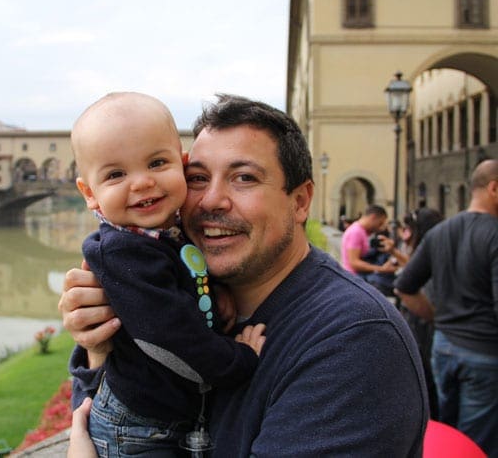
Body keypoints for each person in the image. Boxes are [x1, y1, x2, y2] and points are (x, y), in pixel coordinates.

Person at [61, 94, 429, 456]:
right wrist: (99, 346)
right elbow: (107, 415)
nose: (211, 200)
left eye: (244, 177)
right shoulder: (182, 288)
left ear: (299, 201)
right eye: (199, 178)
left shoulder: (354, 339)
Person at [70, 91, 265, 456]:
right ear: (89, 193)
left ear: (182, 162)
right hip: (138, 428)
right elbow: (170, 338)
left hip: (161, 418)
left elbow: (183, 278)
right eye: (116, 174)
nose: (142, 182)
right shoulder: (123, 251)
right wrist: (238, 360)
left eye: (157, 163)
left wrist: (214, 289)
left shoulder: (165, 235)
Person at [394, 159, 498, 456]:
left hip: (443, 348)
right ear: (494, 188)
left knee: (445, 432)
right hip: (484, 354)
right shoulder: (494, 235)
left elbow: (404, 286)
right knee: (477, 442)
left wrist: (437, 319)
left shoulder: (440, 232)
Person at [396, 208, 444, 420]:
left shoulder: (433, 243)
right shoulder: (438, 243)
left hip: (424, 327)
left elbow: (404, 285)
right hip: (428, 327)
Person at [340, 205, 405, 278]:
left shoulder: (363, 231)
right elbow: (354, 262)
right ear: (373, 217)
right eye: (380, 223)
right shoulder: (356, 232)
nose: (380, 227)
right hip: (355, 277)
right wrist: (382, 269)